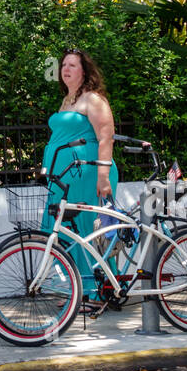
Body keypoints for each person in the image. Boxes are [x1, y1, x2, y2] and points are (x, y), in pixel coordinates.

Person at [40, 49, 120, 305]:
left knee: (87, 230)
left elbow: (106, 135)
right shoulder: (68, 101)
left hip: (88, 174)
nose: (66, 69)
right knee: (64, 231)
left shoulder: (92, 99)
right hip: (63, 178)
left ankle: (100, 290)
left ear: (84, 70)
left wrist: (103, 175)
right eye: (63, 64)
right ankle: (80, 289)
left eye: (72, 65)